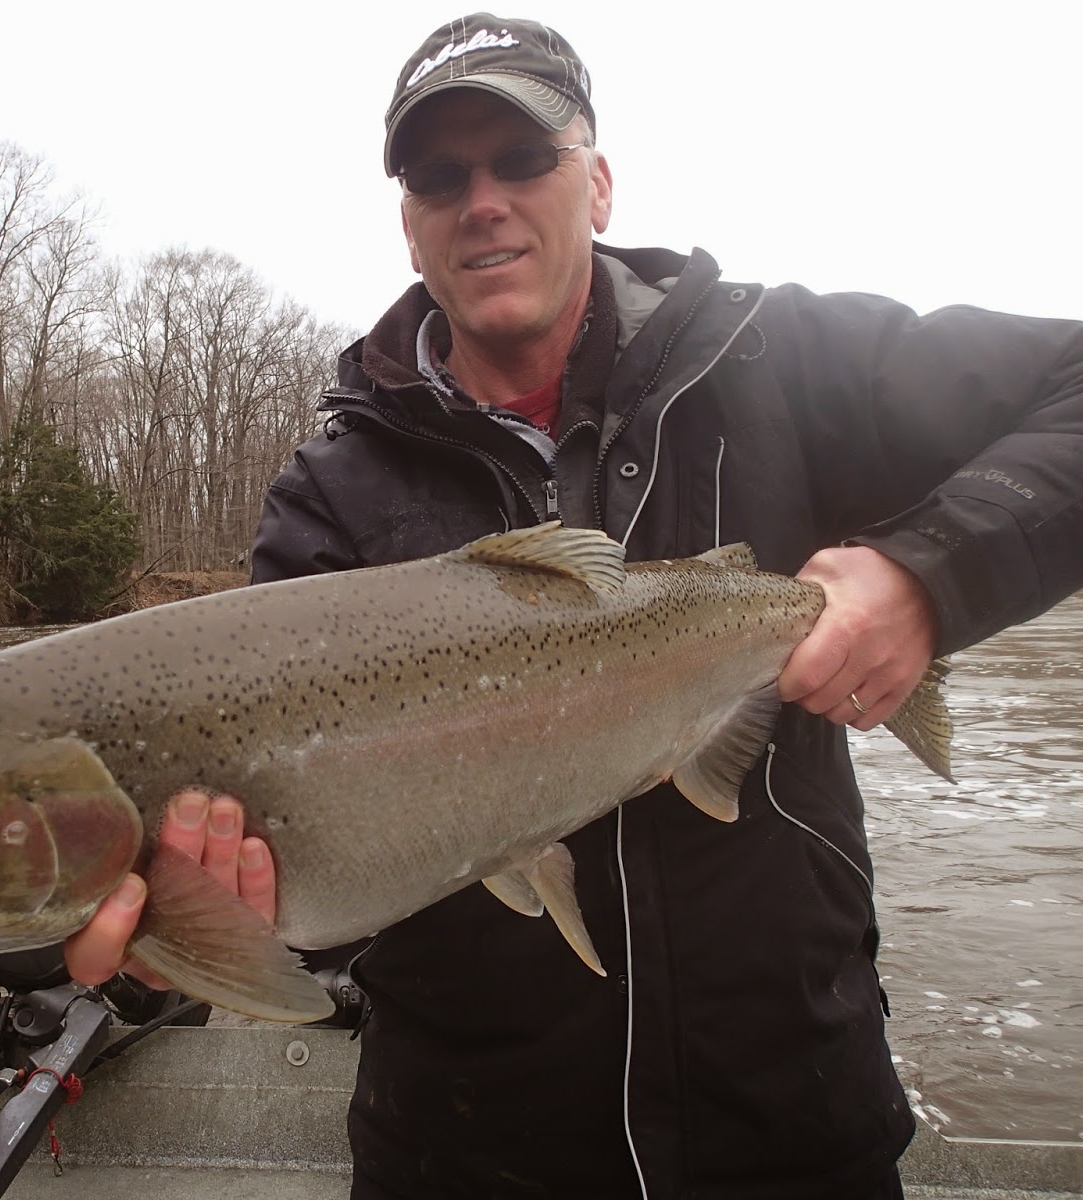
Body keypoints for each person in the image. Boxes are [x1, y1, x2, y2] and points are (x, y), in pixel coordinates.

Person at [67, 13, 1083, 1199]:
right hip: (463, 1154)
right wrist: (183, 940)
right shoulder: (331, 495)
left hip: (793, 1127)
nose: (480, 198)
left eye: (521, 158)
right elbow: (324, 894)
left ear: (595, 185)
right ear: (409, 221)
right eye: (438, 174)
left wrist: (924, 576)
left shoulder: (783, 360)